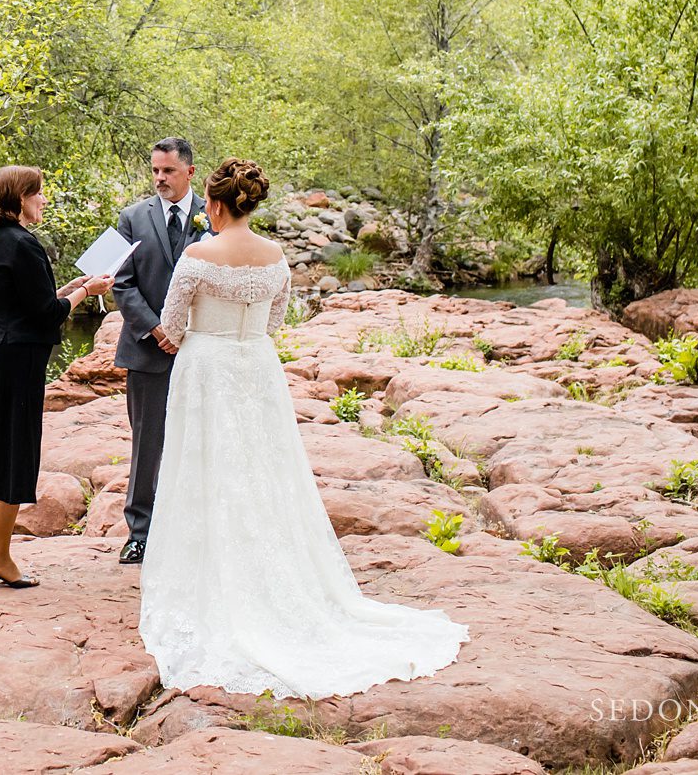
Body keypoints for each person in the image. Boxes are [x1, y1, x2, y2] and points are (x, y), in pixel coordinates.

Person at [138, 157, 469, 695]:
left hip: (208, 370)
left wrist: (177, 337)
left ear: (216, 205)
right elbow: (273, 323)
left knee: (205, 466)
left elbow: (171, 327)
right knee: (266, 471)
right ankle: (277, 579)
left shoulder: (197, 256)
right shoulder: (277, 257)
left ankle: (214, 581)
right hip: (257, 372)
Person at [0, 165, 113, 589]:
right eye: (38, 193)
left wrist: (67, 288)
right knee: (15, 456)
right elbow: (45, 316)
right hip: (18, 363)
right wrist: (87, 293)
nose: (44, 200)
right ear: (19, 199)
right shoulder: (25, 243)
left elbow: (23, 305)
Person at [108, 137, 209, 564]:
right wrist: (156, 328)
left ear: (189, 171)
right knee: (147, 443)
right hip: (147, 348)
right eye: (154, 171)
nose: (159, 179)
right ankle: (141, 533)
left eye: (167, 171)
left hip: (200, 347)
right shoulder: (131, 218)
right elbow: (119, 280)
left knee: (202, 438)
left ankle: (195, 528)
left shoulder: (216, 215)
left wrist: (183, 330)